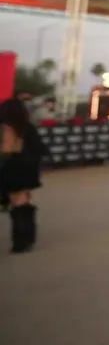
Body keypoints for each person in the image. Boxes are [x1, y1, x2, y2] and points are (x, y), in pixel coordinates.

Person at [1, 98, 49, 253]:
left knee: (17, 203)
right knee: (24, 200)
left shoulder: (9, 127)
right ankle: (28, 237)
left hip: (13, 167)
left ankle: (20, 241)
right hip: (29, 168)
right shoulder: (28, 127)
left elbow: (7, 150)